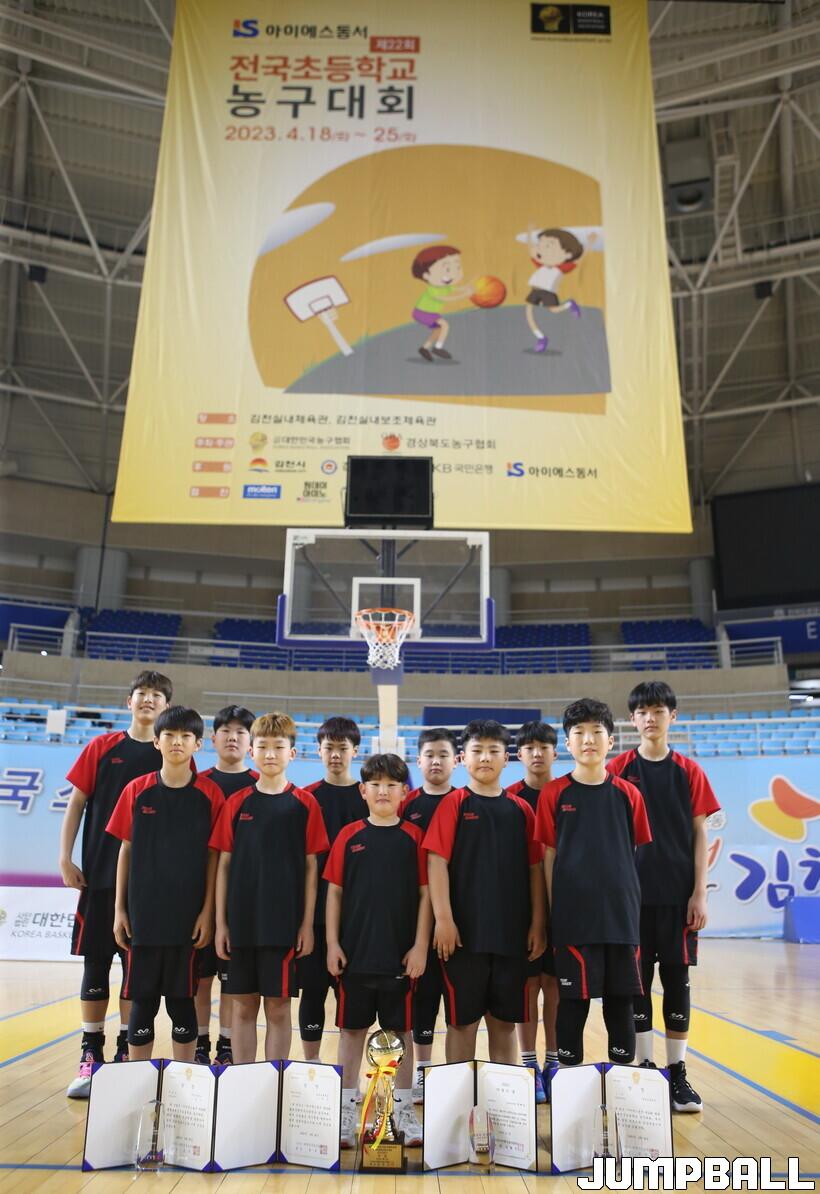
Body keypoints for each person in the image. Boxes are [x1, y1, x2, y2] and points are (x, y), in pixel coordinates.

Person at [58, 669, 172, 1098]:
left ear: (166, 707)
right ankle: (90, 1055)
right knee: (95, 965)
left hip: (148, 889)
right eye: (142, 693)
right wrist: (65, 857)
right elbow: (76, 803)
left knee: (134, 972)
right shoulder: (102, 747)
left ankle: (126, 1053)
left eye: (157, 695)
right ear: (130, 701)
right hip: (99, 878)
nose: (149, 700)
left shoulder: (171, 753)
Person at [608, 680, 720, 1112]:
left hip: (677, 898)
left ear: (673, 716)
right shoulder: (618, 768)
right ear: (631, 719)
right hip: (630, 900)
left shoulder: (689, 771)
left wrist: (699, 893)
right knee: (636, 985)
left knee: (676, 981)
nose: (650, 718)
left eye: (658, 711)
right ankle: (645, 1067)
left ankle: (678, 1074)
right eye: (642, 712)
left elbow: (699, 834)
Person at [534, 698, 651, 1070]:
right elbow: (548, 857)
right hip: (573, 921)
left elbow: (634, 854)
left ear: (611, 741)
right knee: (573, 1004)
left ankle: (622, 1087)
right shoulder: (554, 794)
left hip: (620, 920)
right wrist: (552, 914)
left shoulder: (628, 794)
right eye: (579, 733)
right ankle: (569, 1086)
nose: (588, 740)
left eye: (597, 732)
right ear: (568, 743)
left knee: (621, 1003)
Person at [325, 753, 430, 1150]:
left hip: (400, 958)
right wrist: (332, 943)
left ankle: (403, 1111)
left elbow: (426, 895)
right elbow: (334, 894)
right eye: (376, 784)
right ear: (362, 790)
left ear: (404, 792)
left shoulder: (414, 838)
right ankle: (345, 1111)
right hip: (355, 956)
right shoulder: (348, 836)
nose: (383, 791)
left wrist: (420, 945)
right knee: (351, 1033)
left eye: (391, 785)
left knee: (400, 1035)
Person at [424, 720, 545, 1065]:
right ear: (463, 758)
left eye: (494, 750)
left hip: (511, 937)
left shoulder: (521, 810)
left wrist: (538, 923)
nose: (486, 757)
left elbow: (535, 870)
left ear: (507, 758)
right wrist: (444, 919)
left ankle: (501, 1098)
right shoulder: (454, 804)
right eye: (477, 750)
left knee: (504, 1025)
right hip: (463, 939)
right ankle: (460, 1096)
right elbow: (436, 862)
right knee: (462, 1024)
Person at [211, 712, 328, 1063]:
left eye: (279, 747)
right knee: (243, 1007)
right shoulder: (236, 803)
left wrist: (307, 924)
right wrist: (221, 924)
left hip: (284, 927)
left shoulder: (305, 804)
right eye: (263, 747)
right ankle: (244, 1080)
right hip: (242, 924)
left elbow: (311, 868)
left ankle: (275, 1079)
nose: (270, 754)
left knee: (278, 1009)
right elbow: (223, 866)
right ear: (252, 752)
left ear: (292, 753)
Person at [107, 706, 223, 1061]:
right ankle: (138, 1078)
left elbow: (214, 858)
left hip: (187, 920)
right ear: (156, 742)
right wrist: (120, 910)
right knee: (142, 1001)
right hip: (142, 917)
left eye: (186, 736)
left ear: (198, 744)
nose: (177, 742)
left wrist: (207, 912)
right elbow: (125, 850)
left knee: (182, 1001)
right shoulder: (136, 790)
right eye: (169, 735)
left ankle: (183, 1081)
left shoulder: (210, 795)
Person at [298, 716, 366, 1059]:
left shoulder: (368, 796)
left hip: (357, 918)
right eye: (329, 748)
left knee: (350, 999)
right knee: (312, 992)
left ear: (356, 751)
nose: (335, 755)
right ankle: (312, 1067)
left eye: (342, 748)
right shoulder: (306, 797)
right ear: (318, 751)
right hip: (315, 916)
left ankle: (346, 1075)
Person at [195, 704, 259, 1065]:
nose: (232, 737)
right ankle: (200, 1043)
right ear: (212, 738)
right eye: (225, 731)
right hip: (197, 898)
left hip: (242, 902)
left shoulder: (260, 785)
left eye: (240, 732)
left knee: (235, 982)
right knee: (201, 978)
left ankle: (228, 1045)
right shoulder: (197, 783)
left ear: (251, 742)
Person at [398, 727, 459, 1103]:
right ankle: (421, 1070)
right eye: (429, 755)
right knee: (421, 999)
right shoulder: (407, 805)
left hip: (455, 920)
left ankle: (453, 1076)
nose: (436, 762)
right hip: (414, 920)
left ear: (456, 761)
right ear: (418, 761)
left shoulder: (464, 802)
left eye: (443, 755)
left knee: (456, 1002)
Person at [508, 720, 560, 1102]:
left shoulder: (567, 793)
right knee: (527, 987)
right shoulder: (510, 798)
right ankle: (528, 1063)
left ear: (555, 752)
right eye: (529, 747)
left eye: (544, 747)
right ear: (519, 754)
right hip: (521, 907)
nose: (537, 753)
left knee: (554, 986)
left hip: (564, 905)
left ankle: (553, 1062)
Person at [522, 226, 592, 352]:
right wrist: (529, 233)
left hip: (548, 293)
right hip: (535, 290)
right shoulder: (540, 264)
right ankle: (541, 338)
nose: (540, 249)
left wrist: (590, 243)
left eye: (548, 246)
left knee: (554, 310)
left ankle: (570, 304)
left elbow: (578, 259)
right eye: (539, 245)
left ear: (567, 255)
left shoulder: (561, 268)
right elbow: (530, 250)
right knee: (529, 313)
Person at [410, 245, 473, 361]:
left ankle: (424, 348)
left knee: (438, 329)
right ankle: (438, 348)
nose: (454, 274)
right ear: (426, 275)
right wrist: (464, 295)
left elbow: (456, 289)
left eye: (458, 267)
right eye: (447, 270)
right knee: (445, 325)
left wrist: (467, 288)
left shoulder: (445, 286)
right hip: (422, 312)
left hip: (430, 313)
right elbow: (445, 299)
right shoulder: (433, 290)